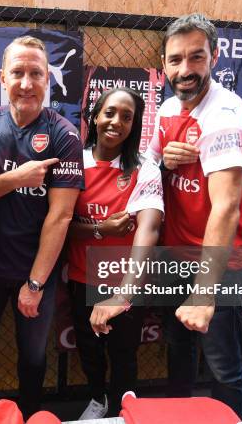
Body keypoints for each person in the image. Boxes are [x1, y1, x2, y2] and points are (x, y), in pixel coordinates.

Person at [0, 36, 84, 418]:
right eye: (18, 72)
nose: (27, 83)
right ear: (2, 77)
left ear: (48, 78)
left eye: (36, 73)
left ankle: (31, 417)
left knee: (32, 357)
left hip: (35, 273)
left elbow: (60, 216)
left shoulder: (64, 135)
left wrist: (34, 284)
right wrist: (17, 178)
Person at [144, 13, 242, 419]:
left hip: (218, 263)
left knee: (223, 365)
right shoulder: (170, 106)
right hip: (177, 254)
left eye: (196, 57)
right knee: (178, 349)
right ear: (164, 62)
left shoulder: (224, 114)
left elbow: (226, 206)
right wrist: (165, 164)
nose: (185, 70)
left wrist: (206, 292)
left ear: (215, 56)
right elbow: (146, 167)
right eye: (175, 60)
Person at [66, 87, 163, 419]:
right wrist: (101, 229)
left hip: (125, 283)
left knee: (123, 355)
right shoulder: (74, 164)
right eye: (109, 112)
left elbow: (148, 229)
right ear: (95, 117)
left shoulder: (144, 168)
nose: (116, 121)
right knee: (89, 351)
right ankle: (98, 400)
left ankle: (124, 411)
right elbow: (60, 226)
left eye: (127, 116)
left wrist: (123, 294)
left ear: (134, 125)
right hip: (81, 278)